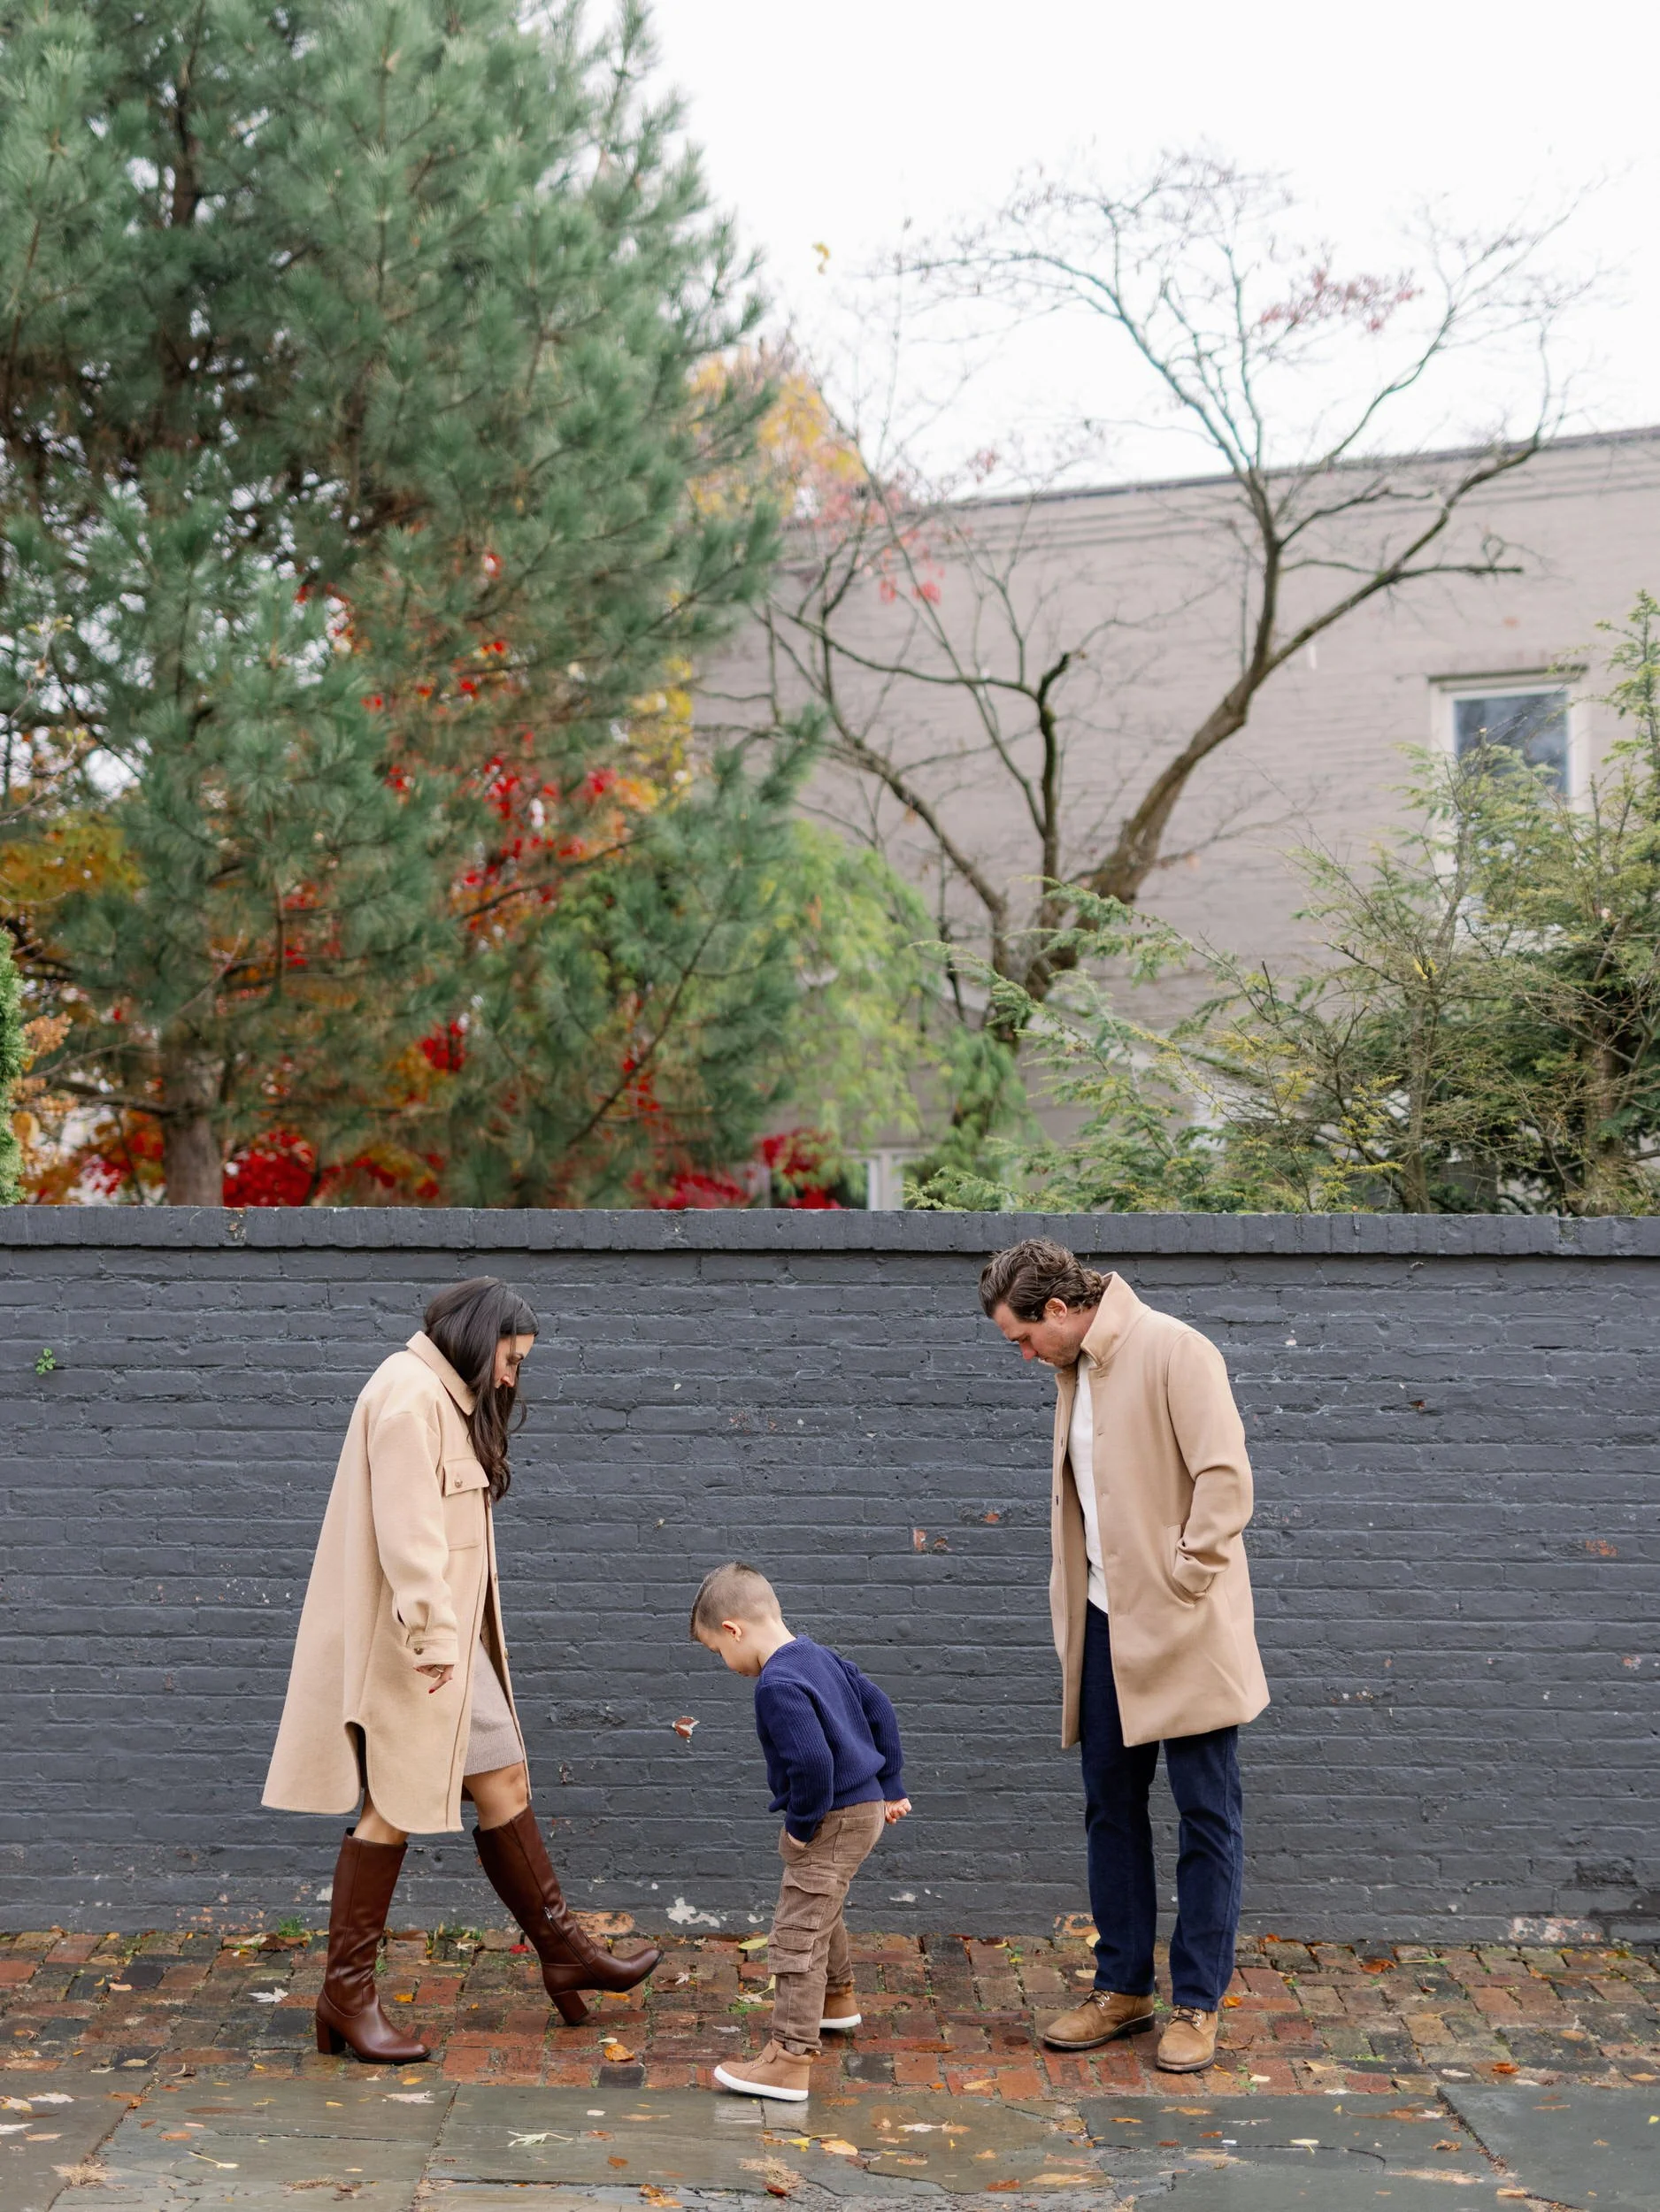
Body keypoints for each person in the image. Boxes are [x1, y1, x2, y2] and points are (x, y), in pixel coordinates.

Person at [263, 1276, 659, 2062]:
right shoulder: (409, 1397)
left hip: (447, 1642)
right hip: (419, 1646)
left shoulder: (439, 1397)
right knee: (396, 1805)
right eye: (512, 1359)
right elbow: (410, 1541)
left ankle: (563, 1951)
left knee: (504, 1778)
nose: (513, 1376)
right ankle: (346, 1997)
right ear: (482, 1340)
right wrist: (438, 1645)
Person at [980, 1238, 1269, 2074]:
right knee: (1111, 1806)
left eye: (1024, 1338)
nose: (1024, 1355)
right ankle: (1123, 1988)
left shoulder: (1177, 1351)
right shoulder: (1076, 1373)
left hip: (1184, 1627)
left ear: (1061, 1312)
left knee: (1207, 1814)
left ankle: (1198, 2004)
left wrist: (1184, 1578)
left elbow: (1225, 1479)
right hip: (1105, 1625)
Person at [689, 1563, 911, 2101]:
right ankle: (837, 2001)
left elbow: (812, 1765)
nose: (726, 1663)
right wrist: (892, 1783)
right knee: (822, 1907)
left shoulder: (778, 1684)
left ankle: (789, 2057)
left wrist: (799, 1828)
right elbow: (879, 1706)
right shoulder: (822, 1657)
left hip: (831, 1817)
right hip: (866, 1808)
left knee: (796, 1932)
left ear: (734, 1629)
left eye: (717, 1651)